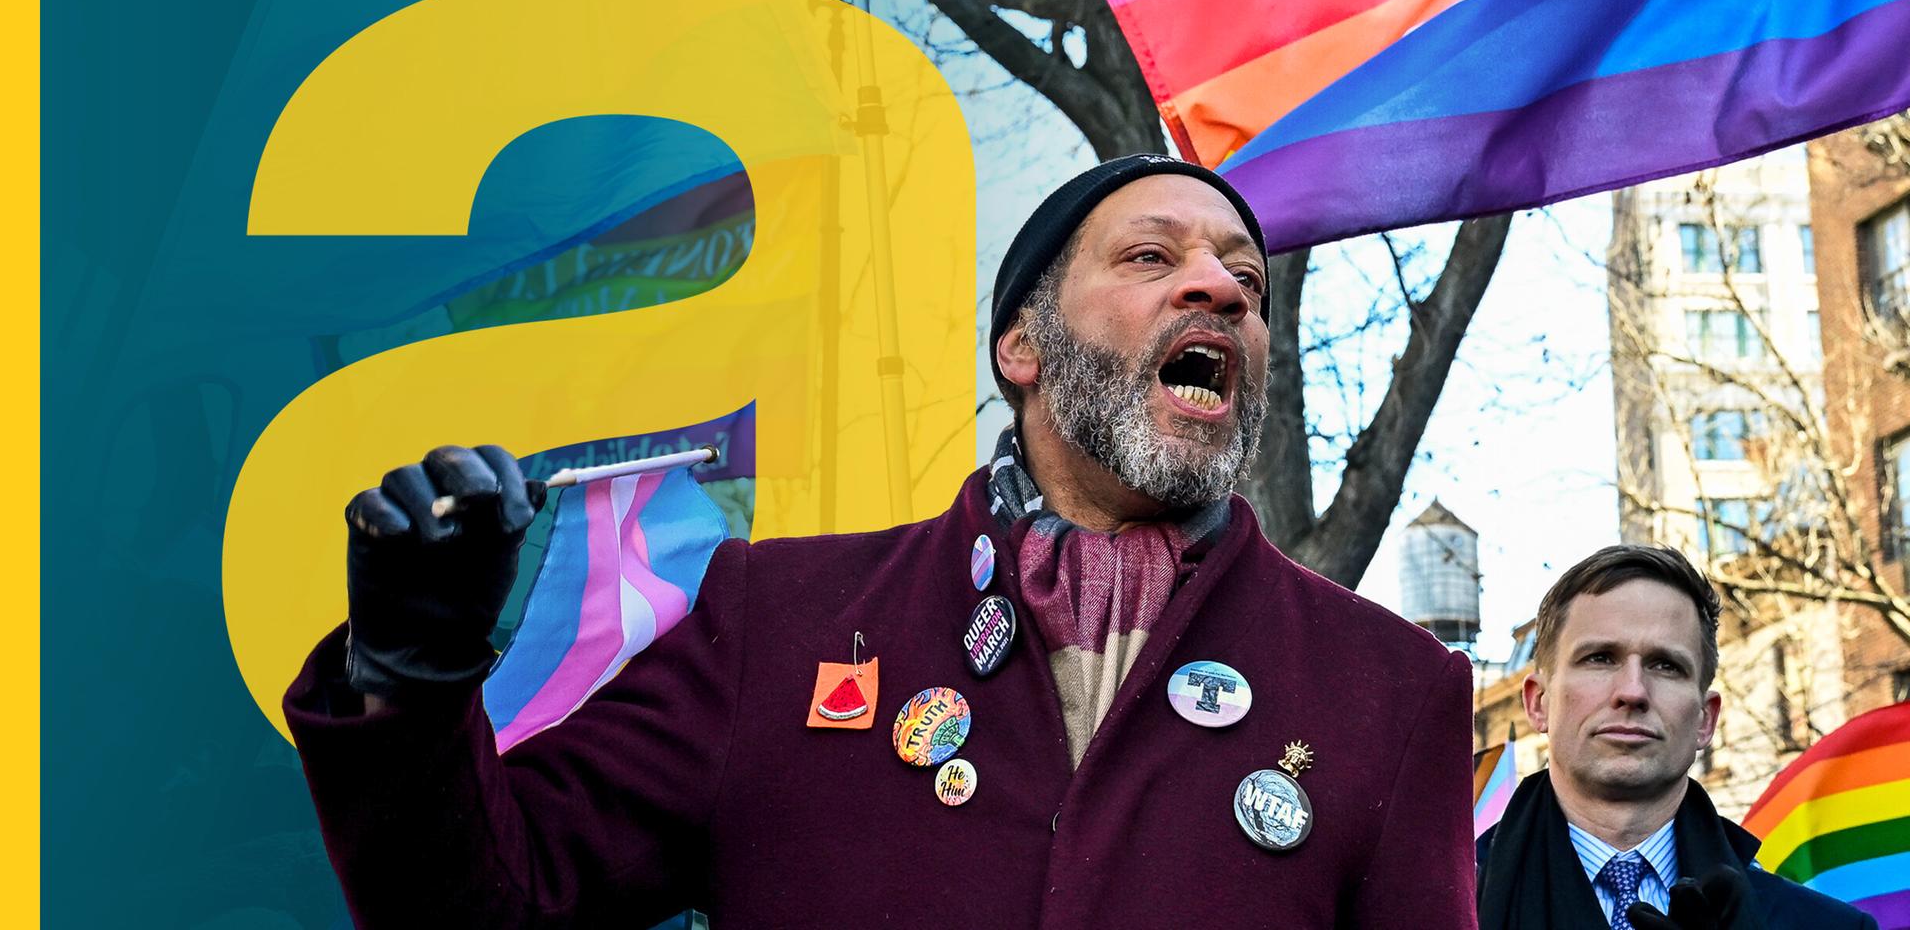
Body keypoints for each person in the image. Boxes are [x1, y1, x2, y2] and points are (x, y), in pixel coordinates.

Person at [286, 154, 1479, 928]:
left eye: (1245, 281)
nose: (1220, 288)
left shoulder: (1392, 690)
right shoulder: (778, 618)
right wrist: (411, 685)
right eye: (1153, 256)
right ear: (1022, 348)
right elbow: (496, 902)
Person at [1476, 545, 1879, 930]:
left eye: (1666, 665)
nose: (1632, 691)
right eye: (1600, 658)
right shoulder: (1439, 913)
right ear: (1539, 703)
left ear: (1706, 718)